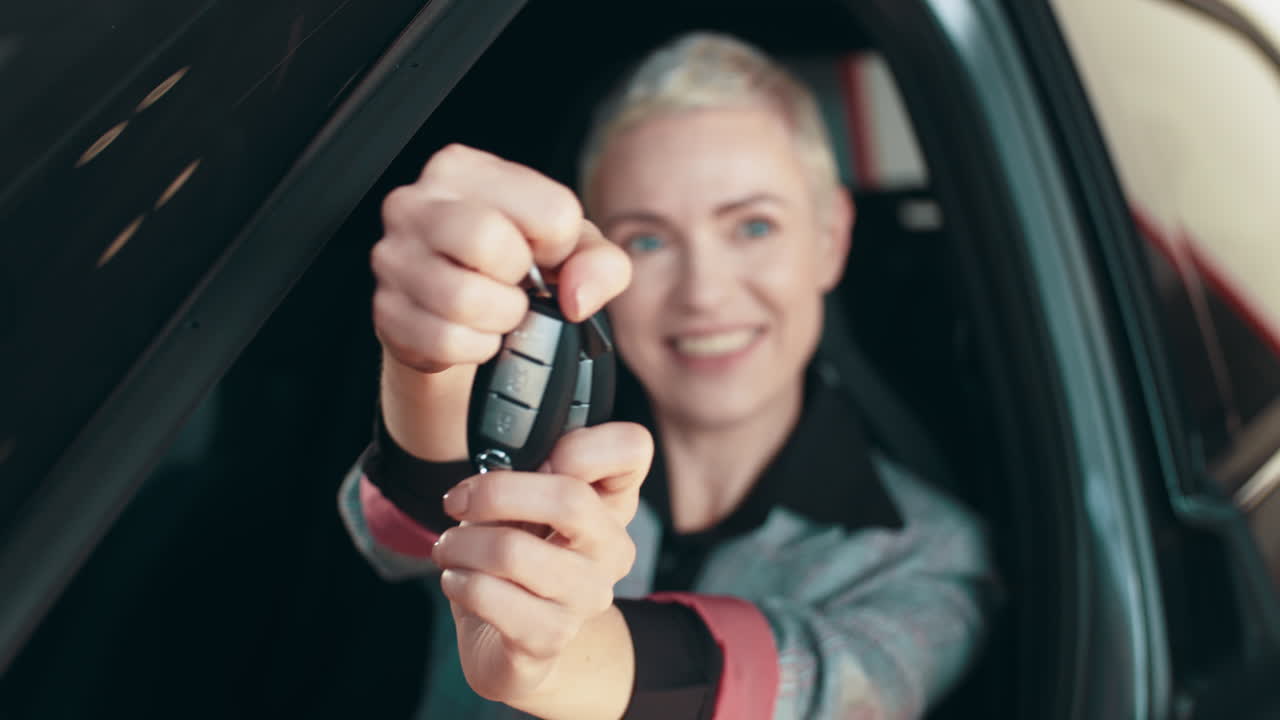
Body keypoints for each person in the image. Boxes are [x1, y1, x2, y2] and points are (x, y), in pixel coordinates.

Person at [339, 32, 994, 720]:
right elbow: (400, 534)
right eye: (647, 240)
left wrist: (562, 659)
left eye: (754, 227)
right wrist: (426, 368)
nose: (704, 293)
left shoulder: (934, 554)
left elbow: (830, 695)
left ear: (830, 239)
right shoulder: (534, 442)